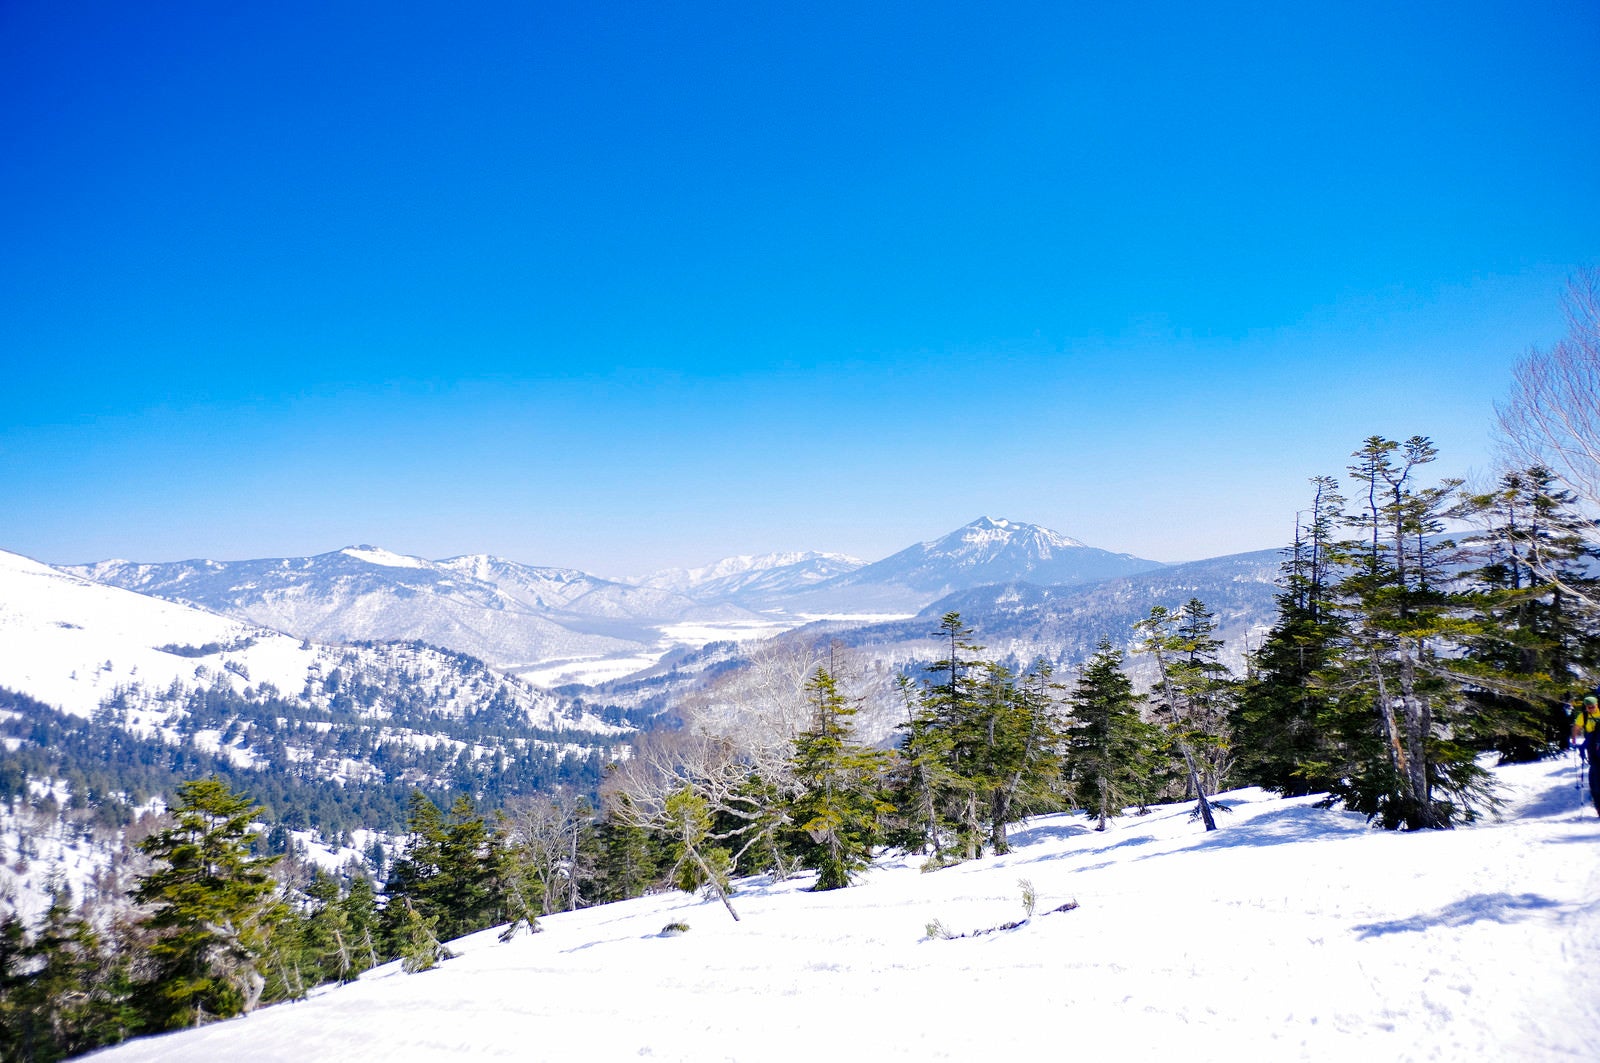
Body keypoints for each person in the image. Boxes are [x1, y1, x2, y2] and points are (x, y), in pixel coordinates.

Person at [1572, 695, 1600, 818]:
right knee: (1595, 770)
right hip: (1591, 746)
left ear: (1597, 704)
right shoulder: (1583, 716)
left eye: (1592, 707)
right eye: (1588, 707)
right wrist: (1574, 738)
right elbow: (1576, 727)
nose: (1590, 709)